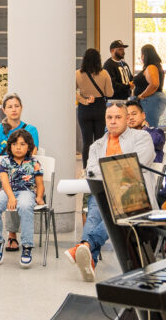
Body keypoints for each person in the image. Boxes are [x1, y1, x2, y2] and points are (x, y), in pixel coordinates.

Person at [63, 102, 155, 281]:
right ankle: (89, 257)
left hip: (135, 196)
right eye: (109, 117)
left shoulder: (141, 137)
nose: (113, 121)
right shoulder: (97, 145)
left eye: (118, 117)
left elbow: (137, 164)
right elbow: (90, 171)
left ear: (127, 119)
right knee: (95, 207)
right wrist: (117, 168)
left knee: (110, 207)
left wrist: (108, 169)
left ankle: (86, 245)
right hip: (105, 192)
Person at [0, 94, 40, 252]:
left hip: (23, 176)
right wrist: (7, 164)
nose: (14, 109)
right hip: (1, 174)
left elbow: (32, 153)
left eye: (16, 106)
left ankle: (12, 235)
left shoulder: (31, 130)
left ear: (21, 108)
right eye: (9, 106)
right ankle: (0, 240)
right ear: (3, 110)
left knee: (15, 189)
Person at [0, 129, 44, 268]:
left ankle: (26, 246)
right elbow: (5, 182)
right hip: (7, 191)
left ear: (29, 146)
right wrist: (11, 197)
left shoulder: (34, 162)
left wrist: (40, 197)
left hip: (27, 191)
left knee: (24, 207)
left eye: (23, 144)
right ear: (10, 146)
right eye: (15, 144)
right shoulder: (4, 161)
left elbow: (40, 184)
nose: (18, 147)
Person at [75, 48, 113, 168]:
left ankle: (86, 168)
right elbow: (110, 93)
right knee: (99, 140)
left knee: (87, 141)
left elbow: (71, 91)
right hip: (99, 107)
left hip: (84, 108)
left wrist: (84, 100)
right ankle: (99, 168)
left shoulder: (77, 74)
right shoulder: (104, 73)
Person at [133, 43, 165, 128]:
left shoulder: (151, 67)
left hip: (150, 100)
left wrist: (141, 96)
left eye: (142, 55)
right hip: (151, 100)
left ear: (144, 55)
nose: (141, 58)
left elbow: (154, 84)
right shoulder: (156, 66)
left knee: (149, 127)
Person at [125, 98, 165, 164]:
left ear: (143, 115)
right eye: (127, 116)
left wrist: (145, 129)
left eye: (134, 114)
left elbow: (153, 140)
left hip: (150, 172)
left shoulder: (156, 132)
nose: (131, 118)